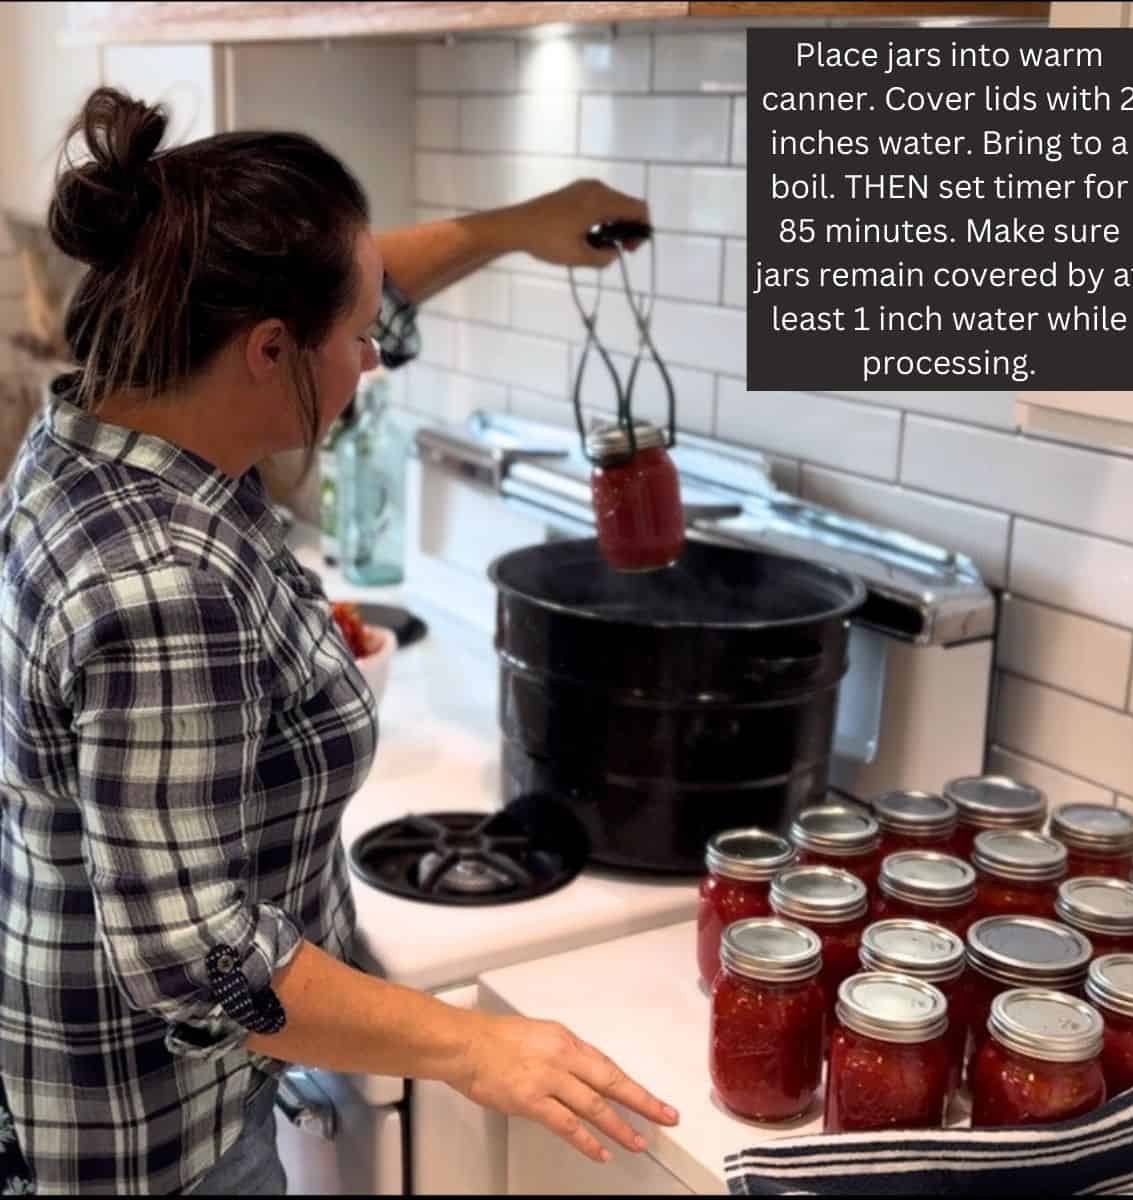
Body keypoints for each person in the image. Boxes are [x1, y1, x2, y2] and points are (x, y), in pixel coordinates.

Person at [0, 86, 674, 1196]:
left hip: (99, 1086)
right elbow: (203, 966)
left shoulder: (102, 425)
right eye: (360, 339)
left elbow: (336, 293)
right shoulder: (162, 584)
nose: (376, 357)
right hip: (155, 1149)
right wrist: (476, 1047)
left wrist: (515, 227)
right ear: (267, 351)